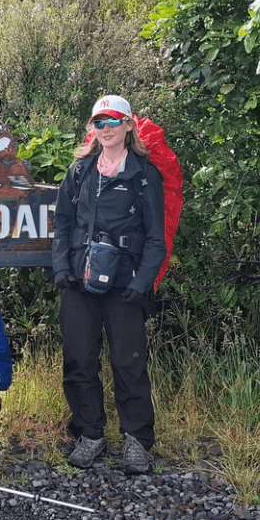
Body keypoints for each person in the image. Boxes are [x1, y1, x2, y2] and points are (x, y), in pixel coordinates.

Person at [51, 94, 166, 474]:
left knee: (128, 361)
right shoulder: (80, 171)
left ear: (129, 125)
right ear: (91, 128)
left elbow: (155, 238)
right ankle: (90, 435)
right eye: (99, 122)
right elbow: (63, 224)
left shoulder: (145, 174)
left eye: (113, 121)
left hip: (126, 281)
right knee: (79, 360)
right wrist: (61, 269)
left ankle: (137, 441)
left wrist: (142, 282)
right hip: (79, 280)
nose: (106, 129)